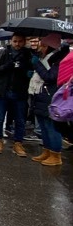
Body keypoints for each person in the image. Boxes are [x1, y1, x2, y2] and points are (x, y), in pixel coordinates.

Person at [0, 33, 32, 157]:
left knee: (20, 120)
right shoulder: (1, 53)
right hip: (2, 92)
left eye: (20, 41)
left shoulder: (27, 55)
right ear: (11, 41)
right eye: (15, 41)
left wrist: (25, 69)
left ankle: (18, 143)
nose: (17, 44)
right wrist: (6, 67)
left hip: (19, 93)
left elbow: (31, 72)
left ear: (24, 42)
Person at [29, 37, 70, 166]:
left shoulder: (58, 60)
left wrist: (37, 65)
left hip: (49, 96)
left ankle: (56, 155)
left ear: (49, 47)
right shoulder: (45, 58)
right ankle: (47, 151)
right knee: (43, 126)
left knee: (51, 127)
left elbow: (51, 77)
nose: (40, 47)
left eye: (43, 45)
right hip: (40, 95)